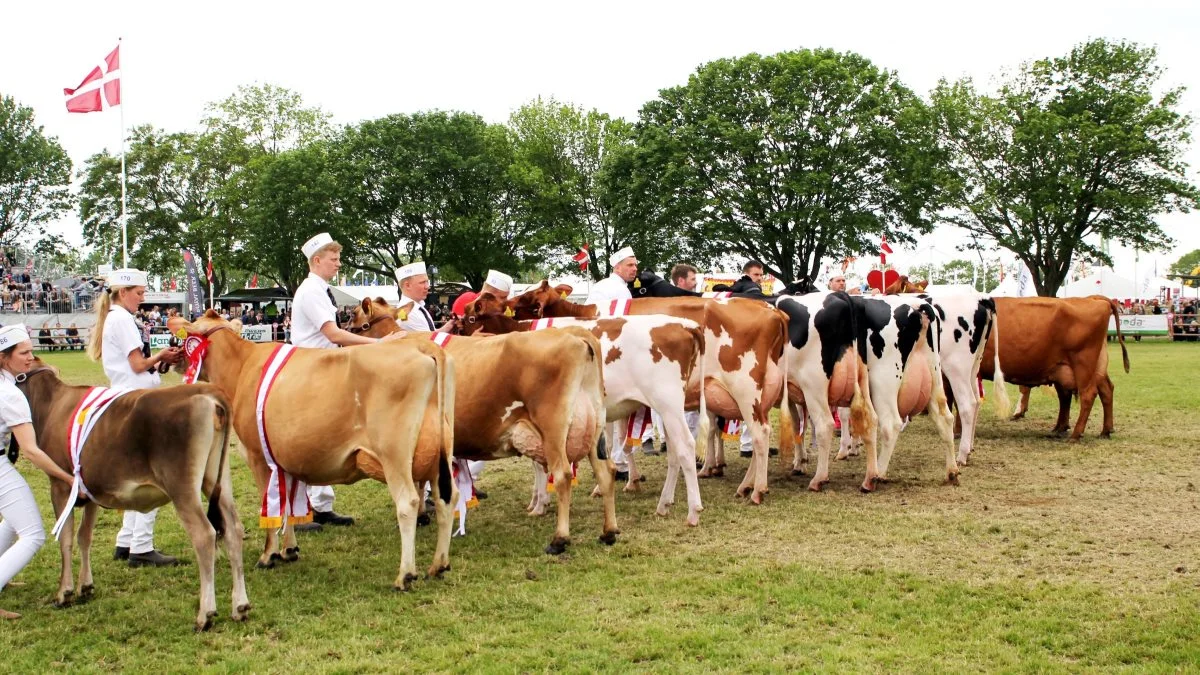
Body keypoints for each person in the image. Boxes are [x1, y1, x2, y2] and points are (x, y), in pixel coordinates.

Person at [291, 233, 404, 529]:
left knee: (322, 435)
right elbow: (333, 334)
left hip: (323, 366)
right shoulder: (312, 291)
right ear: (317, 261)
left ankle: (319, 506)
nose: (338, 264)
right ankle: (302, 510)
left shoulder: (320, 289)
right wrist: (379, 345)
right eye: (334, 259)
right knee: (309, 438)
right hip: (312, 369)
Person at [87, 268, 185, 568]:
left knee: (136, 470)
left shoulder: (114, 318)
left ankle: (126, 540)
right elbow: (138, 364)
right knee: (152, 474)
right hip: (138, 401)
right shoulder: (122, 319)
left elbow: (136, 367)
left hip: (126, 396)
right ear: (123, 292)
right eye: (139, 293)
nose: (141, 300)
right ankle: (141, 545)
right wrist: (161, 357)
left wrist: (157, 364)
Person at [0, 325, 78, 619]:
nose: (31, 358)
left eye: (32, 350)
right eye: (24, 352)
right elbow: (31, 451)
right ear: (4, 358)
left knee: (13, 517)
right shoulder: (10, 394)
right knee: (33, 534)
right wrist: (68, 478)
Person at [586, 247, 639, 479]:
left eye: (635, 265)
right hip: (610, 354)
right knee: (614, 410)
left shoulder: (604, 286)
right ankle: (616, 462)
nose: (634, 269)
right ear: (617, 267)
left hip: (597, 351)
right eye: (630, 265)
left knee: (607, 412)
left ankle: (614, 461)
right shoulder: (618, 291)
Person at [395, 261, 438, 332]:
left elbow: (431, 333)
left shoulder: (417, 307)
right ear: (407, 285)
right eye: (422, 282)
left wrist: (449, 326)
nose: (427, 286)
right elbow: (429, 340)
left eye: (427, 282)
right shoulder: (408, 313)